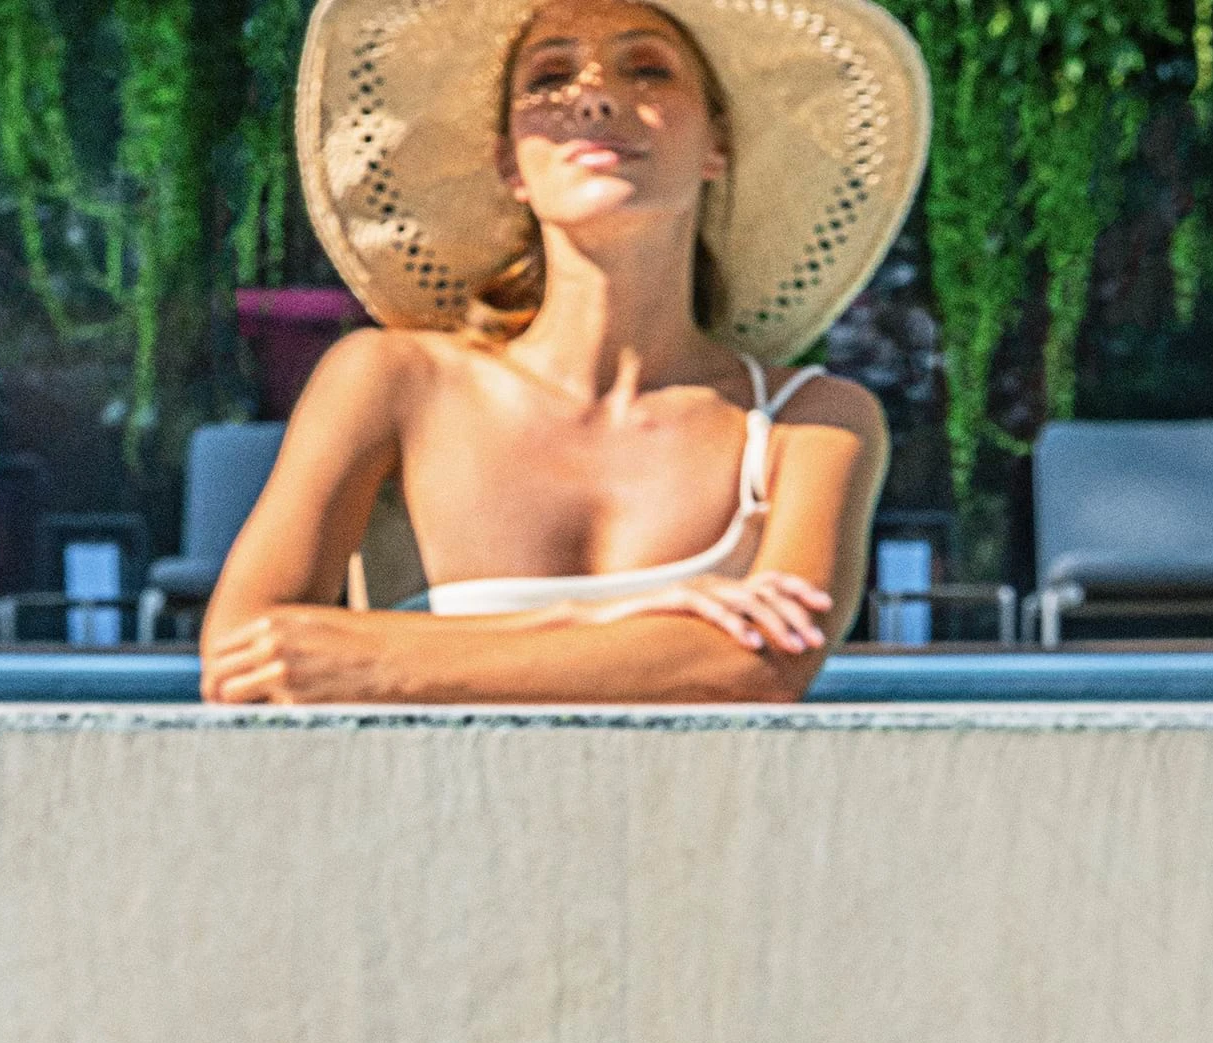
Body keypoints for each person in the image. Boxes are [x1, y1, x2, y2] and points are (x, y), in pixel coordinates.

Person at [204, 0, 929, 705]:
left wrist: (370, 657)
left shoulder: (811, 423)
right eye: (549, 78)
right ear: (510, 164)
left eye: (647, 69)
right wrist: (595, 621)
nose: (594, 98)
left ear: (718, 143)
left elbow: (759, 670)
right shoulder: (391, 381)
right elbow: (245, 652)